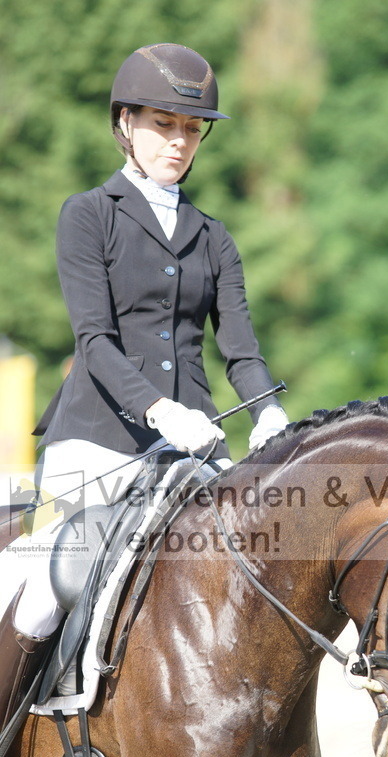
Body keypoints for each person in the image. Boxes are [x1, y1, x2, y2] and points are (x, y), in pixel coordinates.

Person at [0, 43, 289, 714]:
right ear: (125, 124)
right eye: (164, 124)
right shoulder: (88, 215)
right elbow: (93, 342)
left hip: (195, 443)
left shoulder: (214, 238)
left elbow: (240, 350)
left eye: (191, 128)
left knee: (261, 571)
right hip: (96, 437)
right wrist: (159, 412)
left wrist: (269, 414)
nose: (179, 141)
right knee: (45, 588)